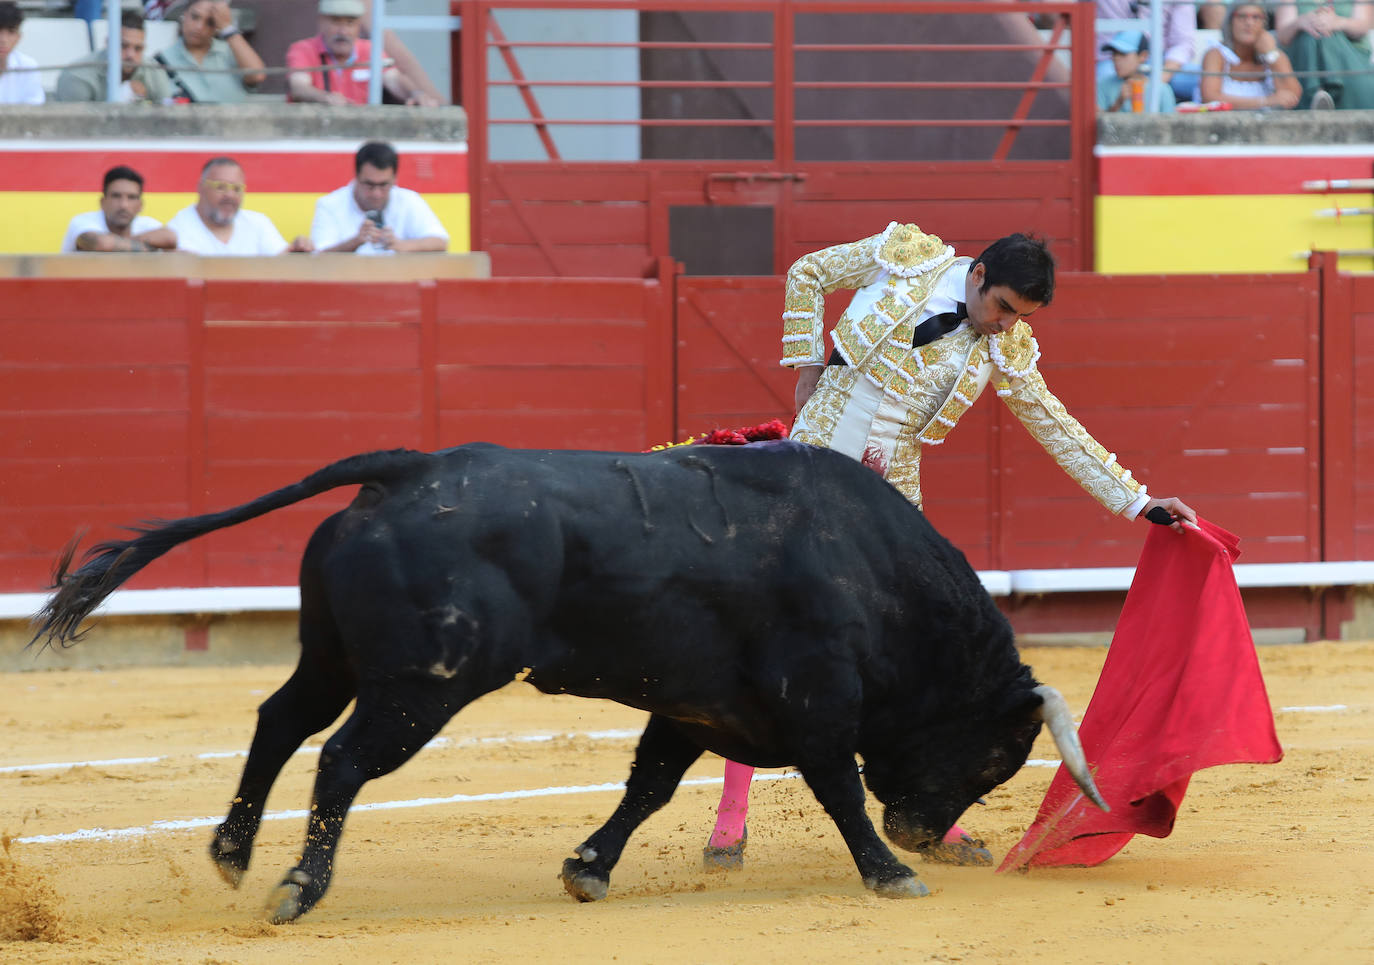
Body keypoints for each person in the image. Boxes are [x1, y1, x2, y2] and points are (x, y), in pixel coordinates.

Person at [704, 223, 1197, 870]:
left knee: (915, 651)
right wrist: (804, 364)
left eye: (1020, 317)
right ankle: (729, 820)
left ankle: (928, 812)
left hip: (893, 495)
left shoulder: (1005, 347)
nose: (1006, 325)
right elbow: (808, 272)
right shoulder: (906, 257)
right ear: (978, 275)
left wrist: (1136, 500)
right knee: (770, 631)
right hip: (813, 460)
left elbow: (1053, 421)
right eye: (1003, 308)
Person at [284, 0, 439, 106]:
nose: (343, 31)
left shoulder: (369, 50)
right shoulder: (303, 49)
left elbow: (394, 80)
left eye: (350, 23)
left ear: (359, 26)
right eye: (336, 22)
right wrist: (325, 98)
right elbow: (299, 87)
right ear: (321, 22)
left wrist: (416, 94)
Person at [310, 141, 449, 254]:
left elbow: (440, 241)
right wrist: (355, 241)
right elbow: (319, 257)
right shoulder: (329, 205)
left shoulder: (408, 200)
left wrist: (401, 245)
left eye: (384, 185)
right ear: (356, 177)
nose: (377, 193)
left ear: (395, 179)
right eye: (369, 185)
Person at [167, 157, 314, 256]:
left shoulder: (257, 223)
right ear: (200, 188)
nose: (230, 195)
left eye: (237, 189)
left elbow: (282, 262)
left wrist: (299, 249)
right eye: (221, 187)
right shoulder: (177, 229)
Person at [154, 0, 265, 103]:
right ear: (184, 15)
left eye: (210, 22)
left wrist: (227, 28)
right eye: (195, 17)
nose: (199, 27)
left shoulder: (231, 52)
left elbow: (257, 75)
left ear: (217, 26)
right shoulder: (160, 60)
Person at [1198, 2, 1302, 109]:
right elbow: (1209, 97)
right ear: (1230, 22)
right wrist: (1265, 101)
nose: (1249, 22)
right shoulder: (1216, 54)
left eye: (1256, 17)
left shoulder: (1274, 56)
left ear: (1264, 23)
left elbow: (1292, 97)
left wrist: (1271, 55)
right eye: (1242, 16)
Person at [55, 10, 170, 103]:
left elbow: (168, 122)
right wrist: (120, 100)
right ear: (108, 44)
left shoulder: (155, 72)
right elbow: (73, 128)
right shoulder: (77, 76)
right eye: (123, 46)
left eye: (138, 48)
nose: (131, 55)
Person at [1274, 1, 1374, 108]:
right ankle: (1323, 95)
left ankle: (1319, 94)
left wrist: (1338, 22)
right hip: (1303, 60)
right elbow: (1283, 37)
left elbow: (1364, 26)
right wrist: (1300, 22)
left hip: (1349, 60)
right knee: (1311, 37)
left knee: (1326, 36)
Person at [60, 165, 177, 253]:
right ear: (102, 202)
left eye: (131, 197)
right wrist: (147, 246)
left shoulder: (146, 224)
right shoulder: (82, 221)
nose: (123, 205)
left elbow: (170, 238)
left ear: (140, 205)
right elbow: (102, 244)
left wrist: (117, 244)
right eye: (116, 196)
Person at [1095, 0, 1197, 87]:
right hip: (1112, 58)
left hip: (1161, 61)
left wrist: (1156, 83)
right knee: (1106, 83)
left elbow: (1183, 43)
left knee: (1206, 80)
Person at [1098, 30, 1178, 112]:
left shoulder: (1162, 90)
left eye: (1123, 54)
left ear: (1143, 56)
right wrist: (1118, 103)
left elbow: (1170, 123)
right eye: (1114, 53)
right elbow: (1096, 123)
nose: (1116, 59)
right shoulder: (1102, 85)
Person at [0, 2, 44, 105]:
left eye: (11, 32)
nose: (3, 40)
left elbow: (34, 111)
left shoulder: (28, 65)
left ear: (19, 37)